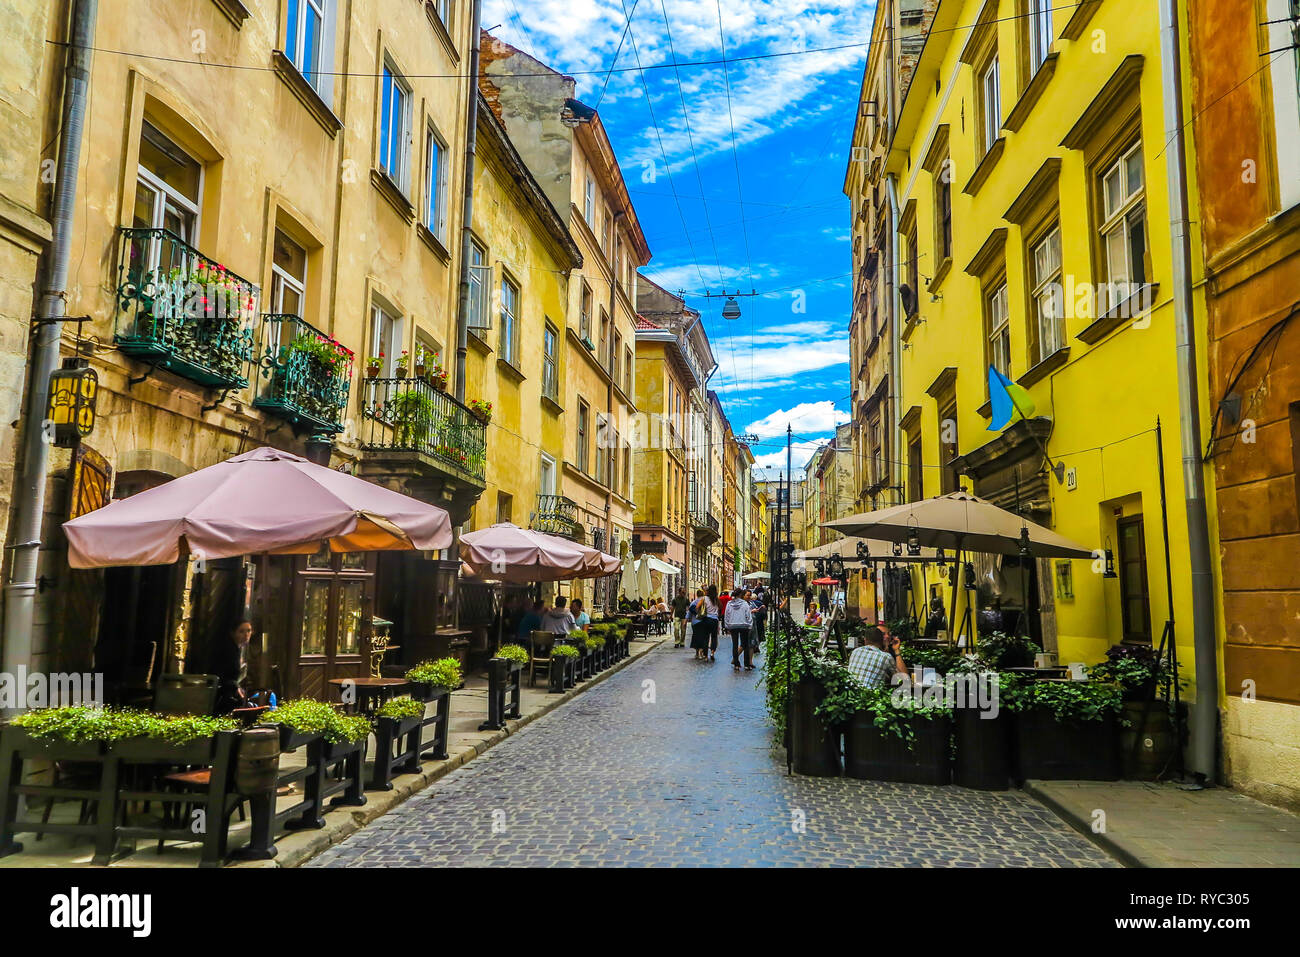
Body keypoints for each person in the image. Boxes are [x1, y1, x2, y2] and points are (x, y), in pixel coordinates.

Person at [210, 619, 253, 713]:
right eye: (241, 631)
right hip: (221, 693)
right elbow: (223, 675)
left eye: (248, 630)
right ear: (232, 633)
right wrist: (236, 687)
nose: (246, 635)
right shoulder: (229, 650)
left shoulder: (238, 649)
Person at [724, 588, 754, 670]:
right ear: (741, 595)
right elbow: (748, 615)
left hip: (733, 626)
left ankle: (736, 664)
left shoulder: (729, 604)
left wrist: (727, 625)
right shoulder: (744, 604)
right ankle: (746, 664)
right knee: (745, 645)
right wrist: (750, 625)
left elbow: (727, 615)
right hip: (744, 625)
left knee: (735, 644)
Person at [688, 589, 710, 659]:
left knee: (696, 637)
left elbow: (689, 613)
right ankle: (702, 652)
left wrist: (686, 621)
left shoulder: (693, 602)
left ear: (697, 594)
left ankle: (697, 653)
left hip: (695, 622)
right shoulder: (705, 601)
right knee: (703, 637)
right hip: (703, 621)